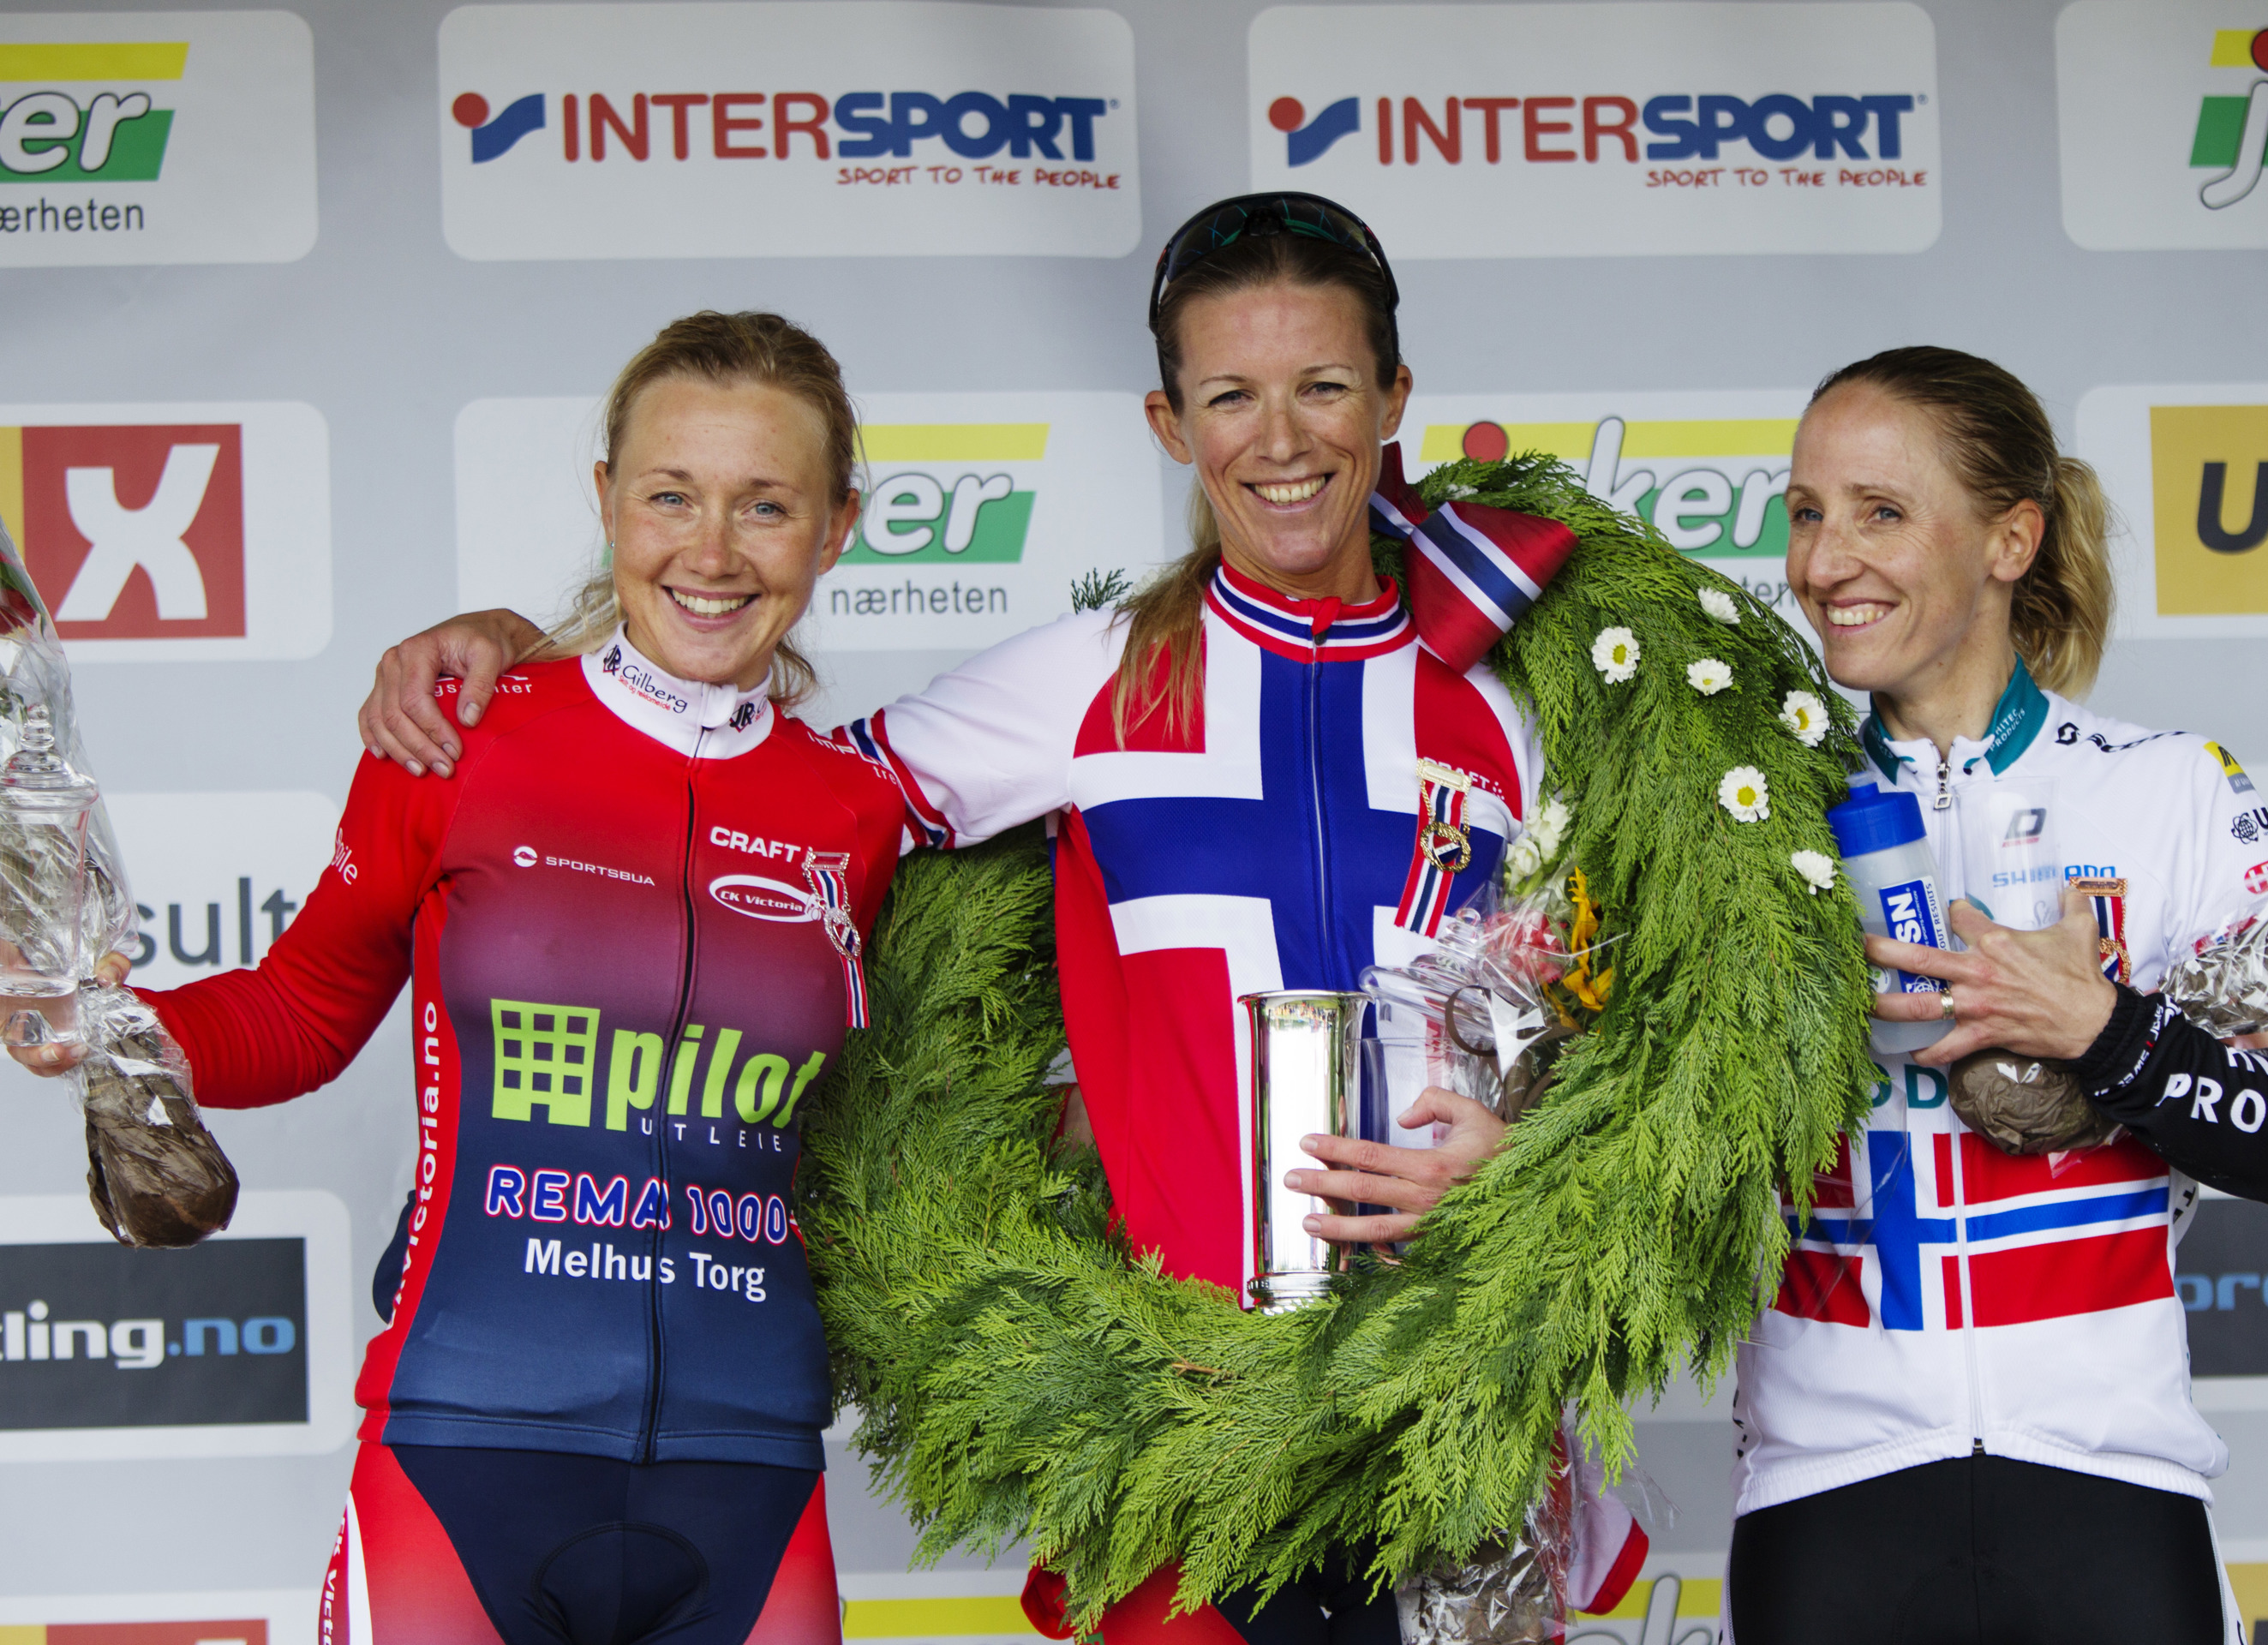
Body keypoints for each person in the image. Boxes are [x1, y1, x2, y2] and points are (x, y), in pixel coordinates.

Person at [354, 194, 1650, 1645]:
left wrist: (1535, 1168)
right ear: (1170, 422)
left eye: (1325, 386)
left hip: (1467, 1406)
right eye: (1232, 394)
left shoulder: (1521, 698)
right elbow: (739, 796)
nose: (1281, 438)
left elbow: (1661, 1032)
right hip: (1187, 1433)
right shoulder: (1086, 679)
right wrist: (527, 665)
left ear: (1395, 398)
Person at [28, 311, 901, 1645]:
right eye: (670, 496)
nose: (713, 552)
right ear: (606, 500)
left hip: (752, 1472)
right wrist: (103, 1027)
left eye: (766, 505)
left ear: (835, 529)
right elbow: (304, 1010)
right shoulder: (462, 739)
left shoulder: (857, 809)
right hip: (464, 1455)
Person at [1724, 345, 2268, 1645]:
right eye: (1806, 513)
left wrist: (2107, 1034)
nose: (1824, 562)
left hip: (2108, 1491)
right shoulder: (1745, 814)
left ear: (2011, 539)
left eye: (1880, 513)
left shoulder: (2169, 788)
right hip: (1828, 1497)